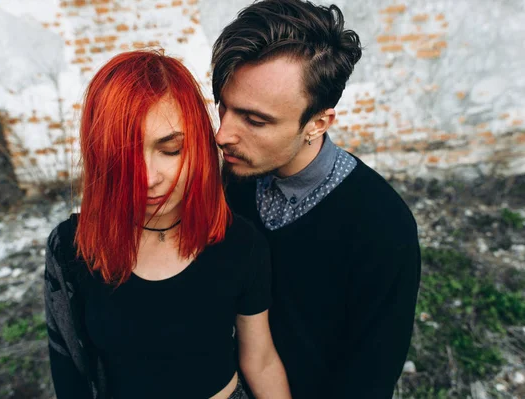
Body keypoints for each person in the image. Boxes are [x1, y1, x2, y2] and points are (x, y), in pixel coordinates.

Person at [44, 50, 291, 399]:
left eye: (171, 149)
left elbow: (261, 360)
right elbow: (68, 371)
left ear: (200, 147)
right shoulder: (72, 247)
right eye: (125, 156)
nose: (147, 178)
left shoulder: (240, 242)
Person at [212, 1, 421, 398]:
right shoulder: (233, 178)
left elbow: (370, 377)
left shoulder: (381, 226)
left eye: (254, 120)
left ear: (318, 123)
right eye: (223, 106)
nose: (223, 134)